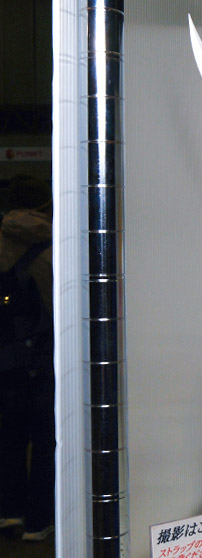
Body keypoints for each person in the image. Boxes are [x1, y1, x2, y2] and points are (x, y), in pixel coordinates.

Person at [0, 175, 55, 541]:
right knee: (46, 439)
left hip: (5, 357)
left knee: (9, 436)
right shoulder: (54, 244)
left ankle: (9, 513)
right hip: (44, 357)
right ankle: (39, 521)